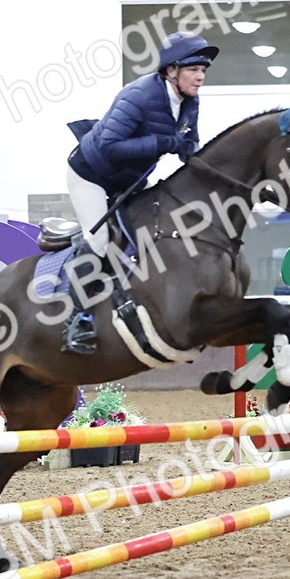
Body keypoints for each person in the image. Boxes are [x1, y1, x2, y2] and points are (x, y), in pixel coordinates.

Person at [60, 32, 220, 354]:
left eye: (203, 69)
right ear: (170, 71)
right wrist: (162, 144)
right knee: (101, 240)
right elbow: (109, 145)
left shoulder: (190, 101)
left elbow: (190, 148)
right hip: (91, 174)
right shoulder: (138, 95)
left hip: (129, 179)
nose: (201, 76)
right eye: (193, 69)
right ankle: (75, 322)